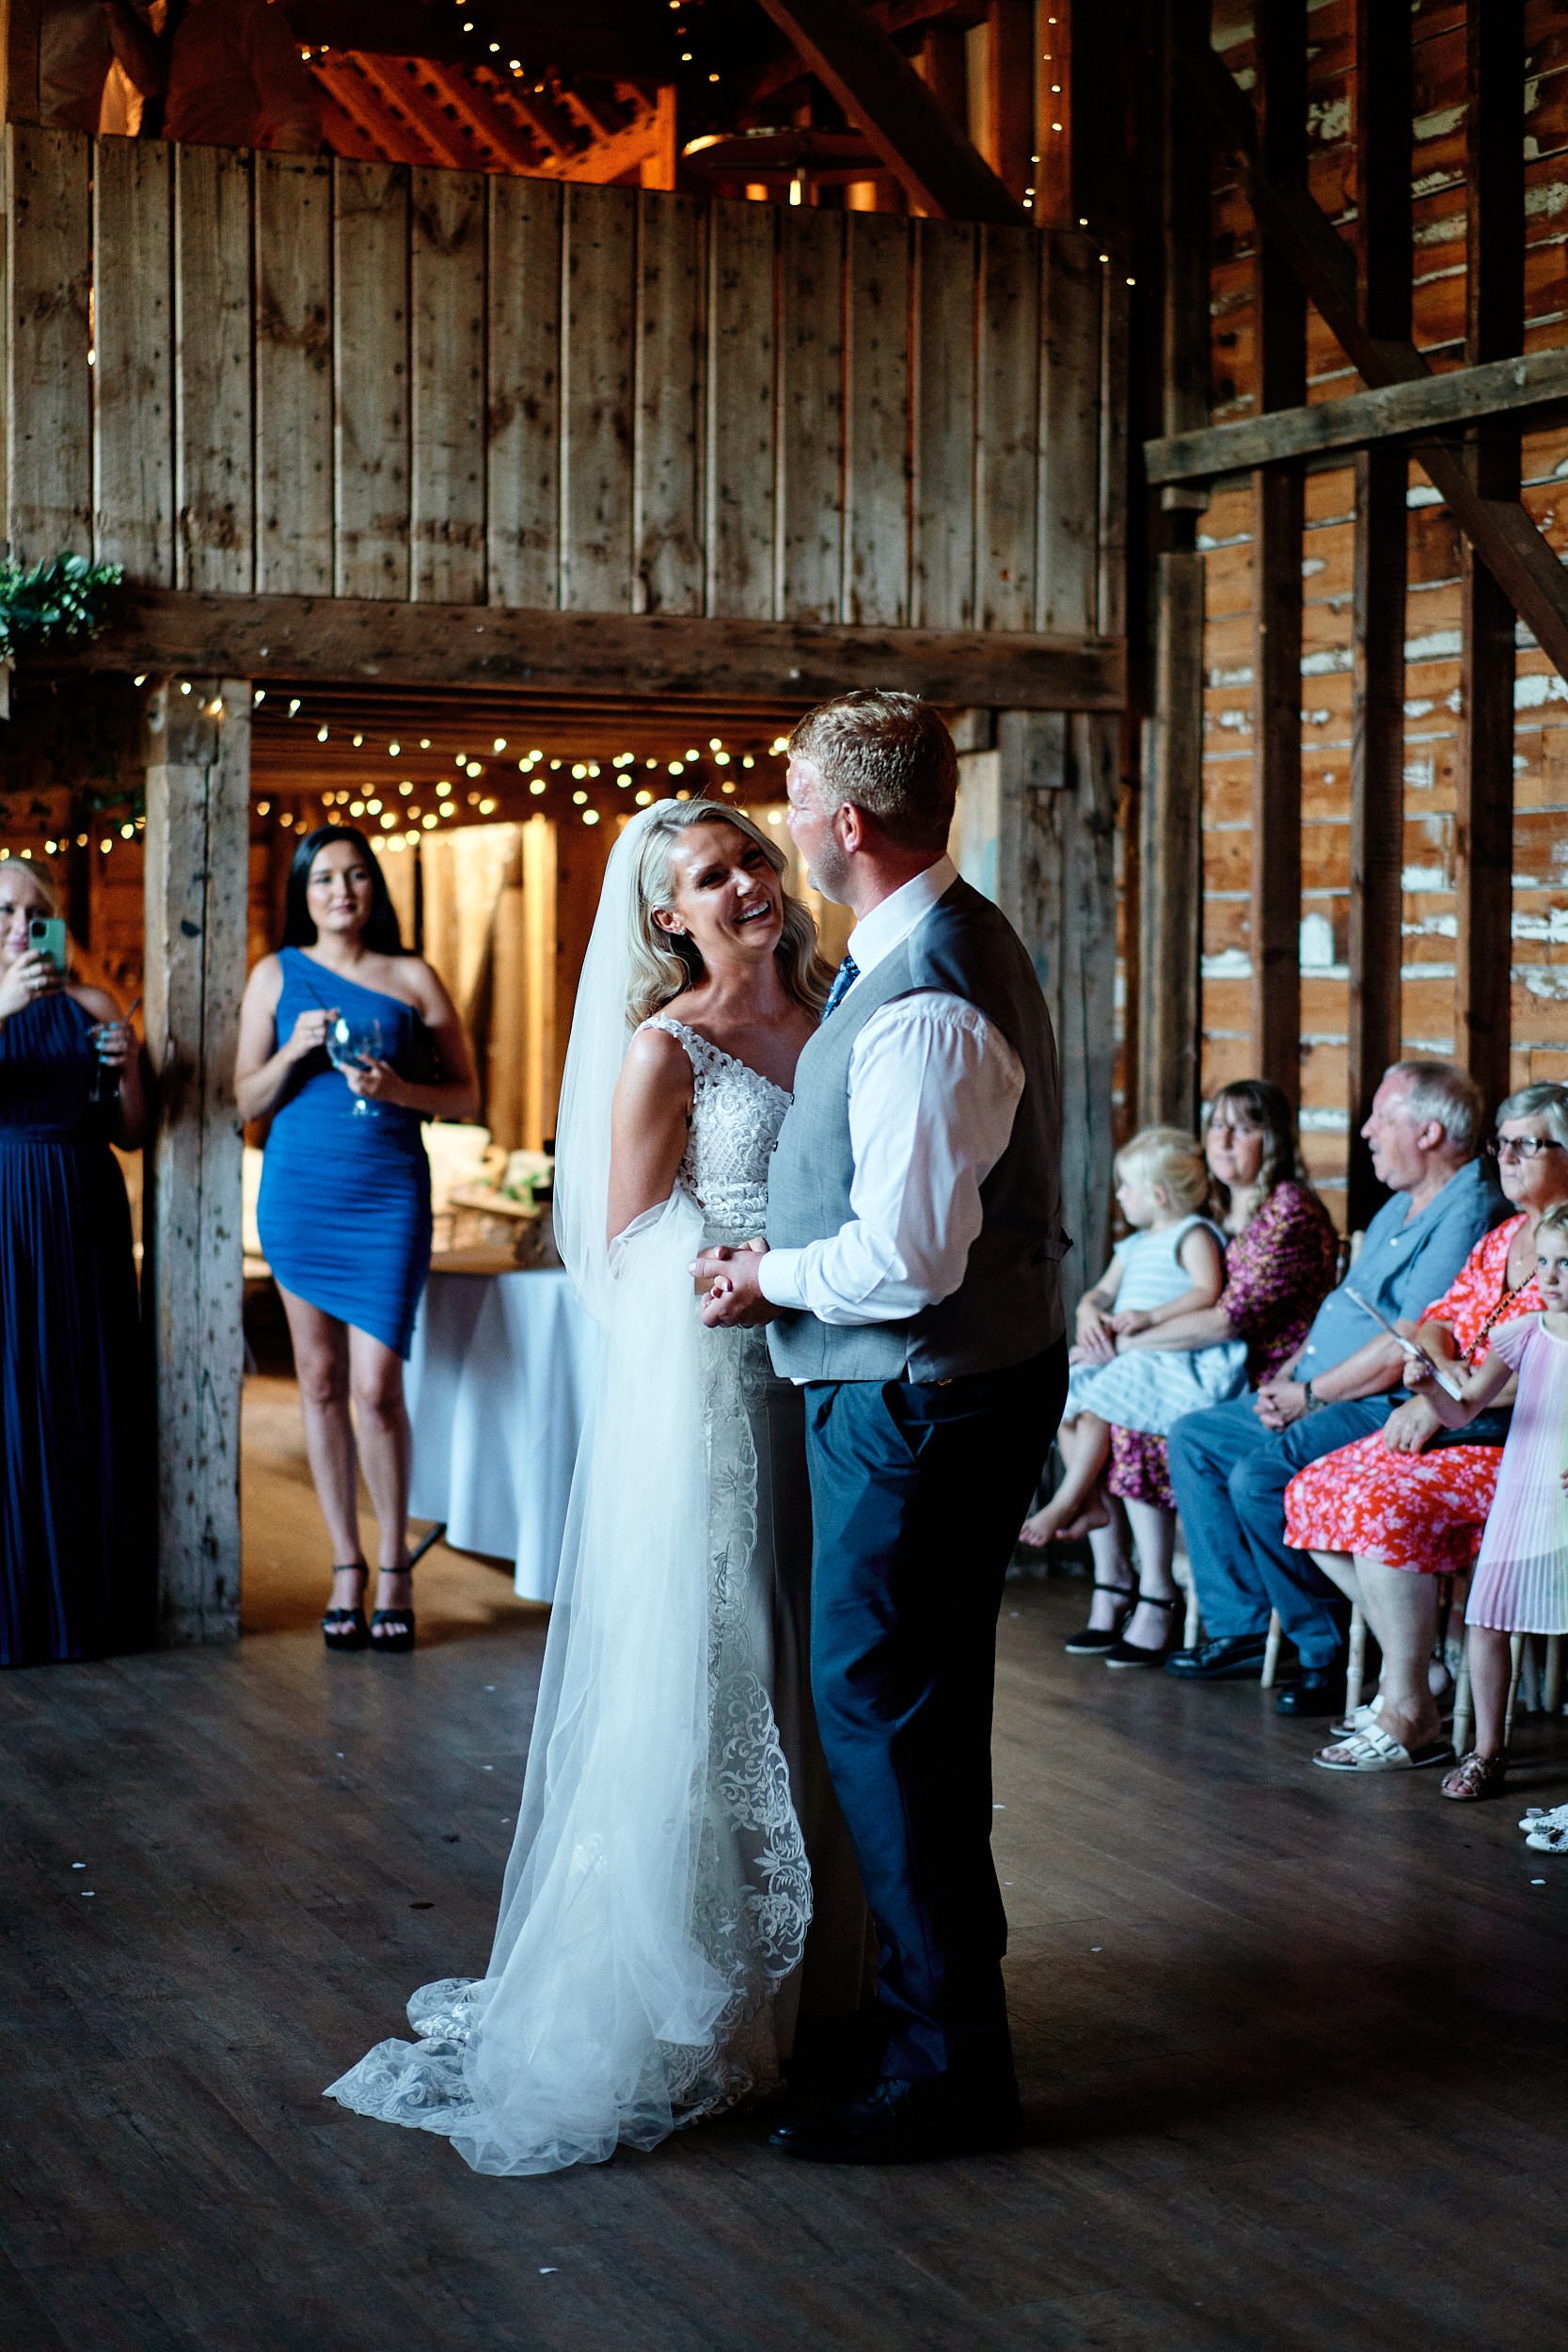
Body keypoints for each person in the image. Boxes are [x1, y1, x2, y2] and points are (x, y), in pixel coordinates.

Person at [325, 801, 866, 2173]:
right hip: (729, 1397)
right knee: (730, 1658)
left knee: (828, 1669)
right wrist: (744, 1260)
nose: (747, 880)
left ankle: (838, 1988)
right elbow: (619, 1254)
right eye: (710, 874)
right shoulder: (662, 1048)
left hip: (848, 1382)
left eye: (752, 855)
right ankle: (707, 2002)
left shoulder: (842, 1008)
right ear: (664, 916)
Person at [697, 691, 1069, 2165]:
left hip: (914, 1406)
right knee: (913, 1723)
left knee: (887, 1726)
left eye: (792, 800)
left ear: (844, 823)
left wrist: (760, 1274)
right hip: (946, 1393)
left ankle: (945, 2074)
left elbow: (906, 1262)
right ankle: (936, 2029)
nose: (785, 823)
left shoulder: (921, 1001)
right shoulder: (925, 943)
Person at [1164, 1061, 1506, 1715]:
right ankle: (1240, 1626)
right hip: (1320, 1384)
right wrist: (1288, 1377)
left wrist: (1311, 1395)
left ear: (1429, 1131)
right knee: (1198, 1437)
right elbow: (1342, 1312)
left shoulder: (1465, 1211)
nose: (1366, 1131)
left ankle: (1328, 1649)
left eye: (1381, 1117)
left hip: (1376, 1401)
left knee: (1259, 1479)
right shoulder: (1399, 1206)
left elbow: (1405, 1343)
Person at [234, 827, 478, 1654]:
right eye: (325, 879)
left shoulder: (412, 976)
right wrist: (296, 1049)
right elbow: (244, 1100)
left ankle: (394, 1565)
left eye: (356, 876)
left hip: (387, 1195)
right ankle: (345, 1565)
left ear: (375, 888)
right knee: (319, 1378)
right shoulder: (274, 975)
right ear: (302, 892)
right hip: (301, 1191)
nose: (342, 891)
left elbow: (465, 1092)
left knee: (377, 1388)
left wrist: (400, 1087)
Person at [1289, 1084, 1568, 1773]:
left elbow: (1544, 1370)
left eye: (1525, 1143)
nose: (1505, 1156)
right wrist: (1436, 1371)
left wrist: (1449, 1395)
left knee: (1383, 1502)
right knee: (1311, 1489)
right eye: (1499, 1142)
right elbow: (1439, 1316)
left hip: (1523, 1443)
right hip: (1457, 1414)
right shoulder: (1504, 1235)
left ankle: (1408, 1705)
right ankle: (1429, 1661)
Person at [1075, 1081, 1338, 1662]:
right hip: (1207, 1366)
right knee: (1106, 1407)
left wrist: (1122, 1345)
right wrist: (1094, 1312)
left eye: (1243, 1127)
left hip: (1271, 1376)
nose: (1222, 1138)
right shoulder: (1218, 1210)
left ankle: (1161, 1597)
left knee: (1137, 1423)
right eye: (1216, 1124)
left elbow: (1227, 1321)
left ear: (1273, 1140)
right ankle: (1121, 1580)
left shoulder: (1288, 1210)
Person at [1020, 1127, 1245, 1665]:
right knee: (1067, 1389)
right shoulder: (1135, 1245)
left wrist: (1148, 1317)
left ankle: (1071, 1500)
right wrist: (1089, 1309)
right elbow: (1101, 1289)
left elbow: (1206, 1291)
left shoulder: (1193, 1234)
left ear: (1160, 1196)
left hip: (1171, 1358)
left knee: (1099, 1399)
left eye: (1127, 1187)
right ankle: (1091, 1500)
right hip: (1129, 1355)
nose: (1120, 1196)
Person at [0, 860, 150, 1666]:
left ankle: (88, 1608)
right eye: (6, 910)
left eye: (36, 911)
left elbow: (131, 1130)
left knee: (79, 1388)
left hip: (83, 1212)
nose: (23, 925)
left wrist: (125, 1064)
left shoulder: (91, 1004)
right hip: (3, 1209)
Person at [1403, 1200, 1568, 1802]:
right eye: (1544, 1261)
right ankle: (1487, 1750)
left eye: (1566, 1264)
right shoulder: (1523, 1333)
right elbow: (1464, 1408)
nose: (1548, 1276)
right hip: (1525, 1488)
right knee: (1489, 1616)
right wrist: (1429, 1387)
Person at [101, 0, 325, 150]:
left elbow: (298, 120)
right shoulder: (160, 17)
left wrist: (266, 191)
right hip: (156, 182)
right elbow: (151, 83)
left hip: (215, 184)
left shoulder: (247, 16)